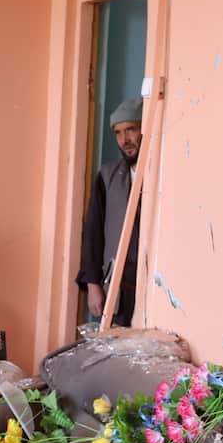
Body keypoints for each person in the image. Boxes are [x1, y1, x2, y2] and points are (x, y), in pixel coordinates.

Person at [77, 97, 143, 327]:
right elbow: (93, 233)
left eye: (131, 130)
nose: (124, 140)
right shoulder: (108, 176)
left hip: (150, 290)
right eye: (118, 133)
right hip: (117, 293)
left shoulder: (163, 171)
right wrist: (93, 285)